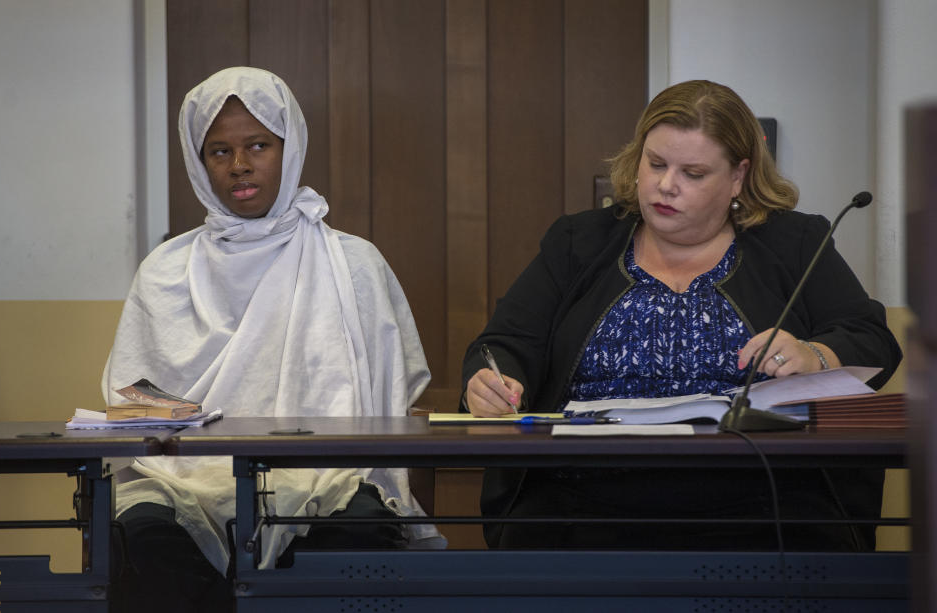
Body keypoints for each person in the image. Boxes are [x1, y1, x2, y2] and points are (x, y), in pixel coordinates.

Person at [461, 80, 901, 551]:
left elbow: (870, 337)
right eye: (656, 164)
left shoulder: (794, 243)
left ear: (738, 176)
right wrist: (492, 381)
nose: (666, 185)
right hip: (578, 513)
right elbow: (506, 342)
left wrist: (813, 354)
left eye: (693, 173)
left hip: (765, 514)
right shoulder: (577, 242)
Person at [104, 67, 442, 612]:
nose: (239, 166)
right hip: (183, 480)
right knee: (141, 538)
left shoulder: (353, 262)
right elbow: (133, 404)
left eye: (258, 145)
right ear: (197, 161)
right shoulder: (165, 270)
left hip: (328, 473)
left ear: (290, 148)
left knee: (358, 531)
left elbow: (400, 398)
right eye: (219, 151)